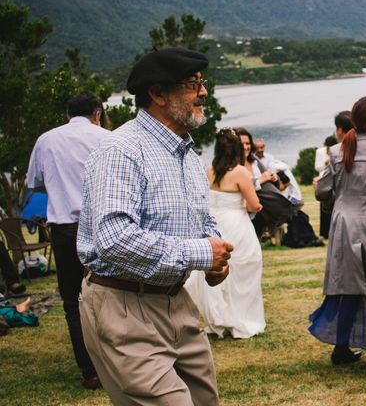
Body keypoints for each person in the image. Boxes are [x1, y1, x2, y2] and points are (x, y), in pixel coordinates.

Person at [77, 47, 234, 405]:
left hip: (176, 300)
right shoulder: (121, 150)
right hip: (122, 305)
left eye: (202, 82)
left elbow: (202, 219)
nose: (204, 92)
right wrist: (200, 253)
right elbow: (114, 240)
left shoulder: (189, 156)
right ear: (158, 94)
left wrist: (216, 252)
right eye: (193, 84)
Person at [26, 91, 110, 389]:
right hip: (102, 227)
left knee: (74, 301)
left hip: (65, 230)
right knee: (112, 295)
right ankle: (118, 362)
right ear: (97, 113)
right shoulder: (106, 138)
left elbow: (34, 183)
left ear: (67, 114)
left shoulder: (46, 140)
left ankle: (90, 371)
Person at [309, 96, 366, 368]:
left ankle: (342, 349)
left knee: (346, 286)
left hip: (345, 224)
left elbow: (322, 191)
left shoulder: (337, 151)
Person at [185, 128, 266, 339]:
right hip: (237, 225)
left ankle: (219, 320)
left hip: (215, 226)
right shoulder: (241, 172)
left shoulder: (208, 171)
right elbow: (253, 205)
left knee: (221, 272)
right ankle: (241, 317)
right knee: (244, 270)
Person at [315, 135, 338, 238]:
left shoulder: (337, 150)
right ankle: (324, 232)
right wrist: (325, 163)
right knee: (324, 205)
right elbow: (317, 167)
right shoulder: (320, 152)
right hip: (324, 179)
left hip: (335, 179)